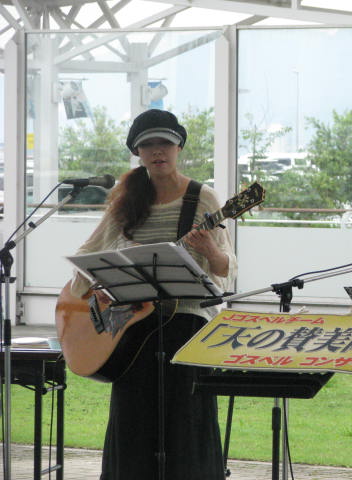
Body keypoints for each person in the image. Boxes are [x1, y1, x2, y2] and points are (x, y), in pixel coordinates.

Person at [68, 109, 237, 480]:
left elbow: (226, 268)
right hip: (132, 330)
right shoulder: (126, 197)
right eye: (148, 145)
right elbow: (87, 255)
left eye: (165, 143)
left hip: (189, 323)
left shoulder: (203, 198)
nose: (157, 150)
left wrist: (209, 249)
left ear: (179, 148)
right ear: (137, 152)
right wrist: (92, 294)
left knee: (186, 418)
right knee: (133, 417)